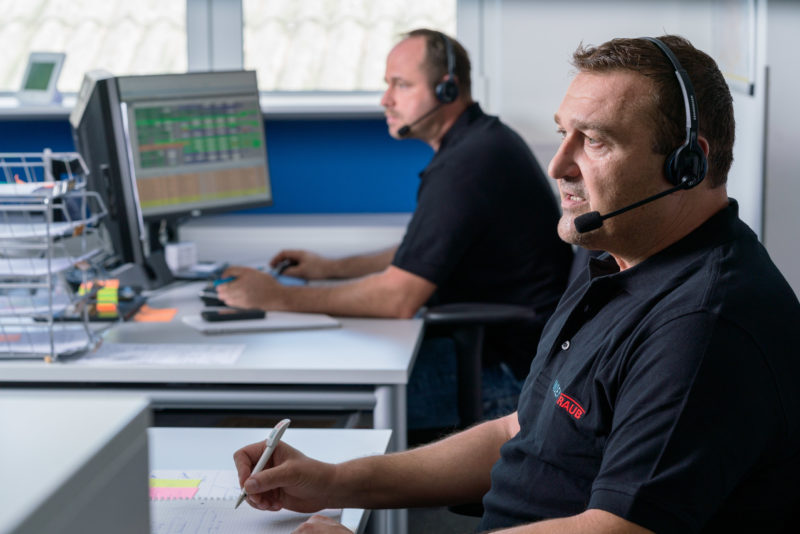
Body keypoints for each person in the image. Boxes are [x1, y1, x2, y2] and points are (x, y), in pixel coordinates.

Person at [232, 35, 800, 533]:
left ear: (687, 165)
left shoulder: (703, 326)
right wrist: (335, 482)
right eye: (562, 133)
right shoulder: (615, 255)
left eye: (595, 141)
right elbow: (520, 427)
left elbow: (617, 529)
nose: (558, 165)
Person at [217, 29, 573, 429]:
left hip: (506, 377)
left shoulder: (465, 167)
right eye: (387, 85)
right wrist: (330, 268)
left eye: (401, 85)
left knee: (292, 401)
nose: (385, 99)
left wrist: (277, 297)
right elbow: (421, 253)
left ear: (447, 88)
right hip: (498, 357)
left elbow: (398, 298)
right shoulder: (481, 144)